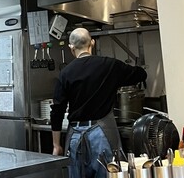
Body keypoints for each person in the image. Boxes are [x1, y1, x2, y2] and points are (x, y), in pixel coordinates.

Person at [51, 27, 147, 178]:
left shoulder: (65, 73)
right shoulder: (110, 65)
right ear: (92, 43)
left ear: (71, 47)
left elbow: (57, 110)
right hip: (102, 134)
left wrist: (56, 145)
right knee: (109, 174)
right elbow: (141, 74)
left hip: (75, 136)